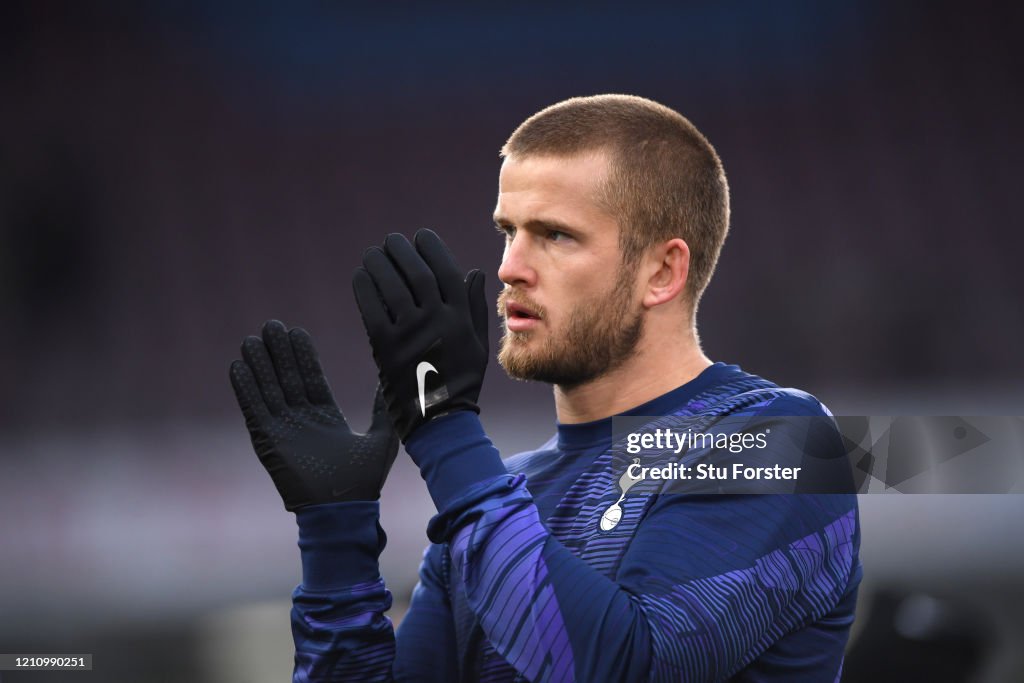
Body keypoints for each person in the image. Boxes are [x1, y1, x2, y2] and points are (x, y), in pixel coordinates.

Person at [230, 94, 862, 682]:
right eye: (510, 231)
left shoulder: (781, 443)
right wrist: (336, 535)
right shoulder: (501, 499)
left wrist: (445, 427)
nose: (510, 268)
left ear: (662, 271)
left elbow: (612, 667)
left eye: (555, 235)